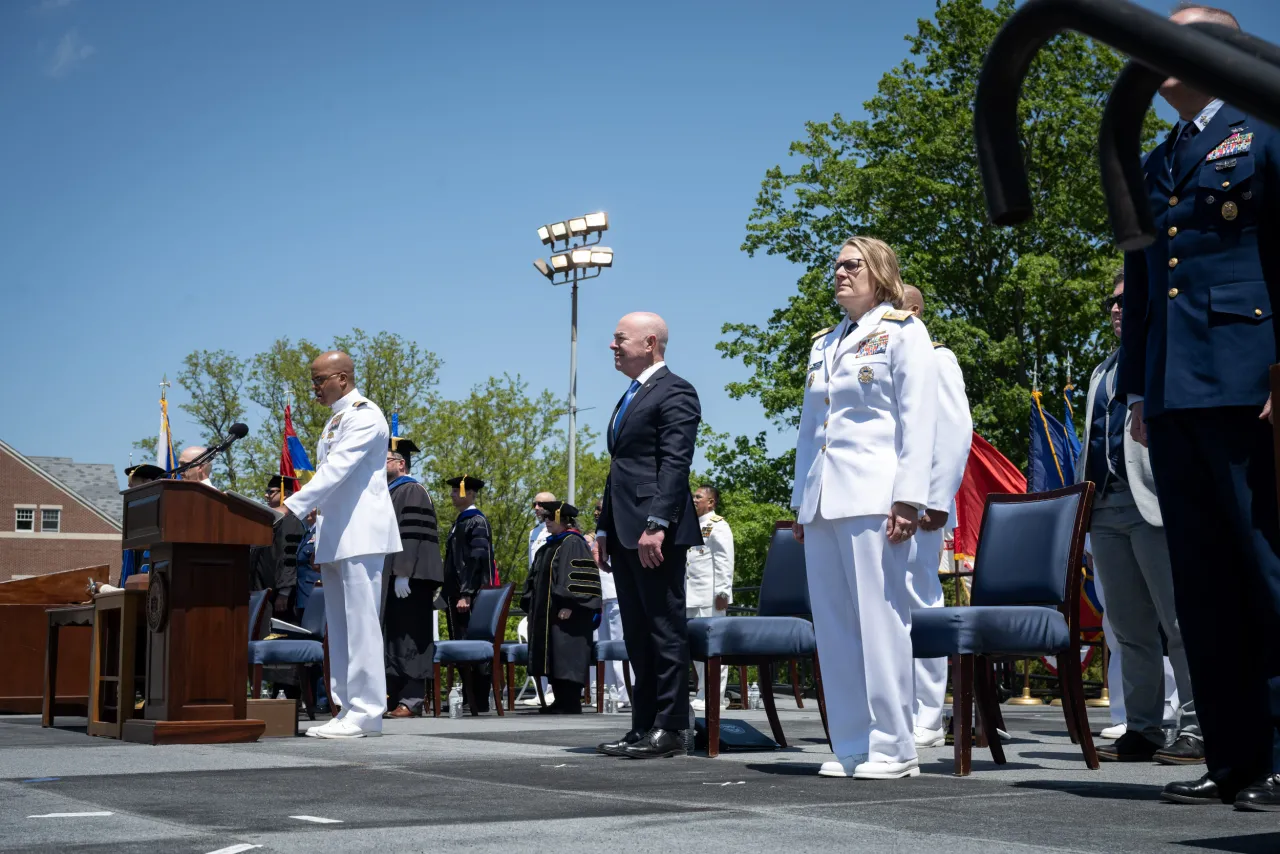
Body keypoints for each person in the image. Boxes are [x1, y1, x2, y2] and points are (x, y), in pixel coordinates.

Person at [1119, 3, 1280, 809]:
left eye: (1173, 40)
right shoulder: (1157, 159)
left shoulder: (1268, 126)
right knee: (1205, 588)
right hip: (1177, 396)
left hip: (1254, 389)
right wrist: (1139, 390)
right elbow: (1146, 283)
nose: (1153, 56)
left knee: (1268, 572)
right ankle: (1234, 757)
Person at [791, 236, 937, 780]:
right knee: (834, 627)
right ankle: (852, 742)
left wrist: (909, 498)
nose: (840, 274)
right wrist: (802, 504)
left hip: (876, 495)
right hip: (824, 499)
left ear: (878, 272)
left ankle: (894, 748)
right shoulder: (825, 342)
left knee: (881, 623)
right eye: (836, 266)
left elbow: (919, 419)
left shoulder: (903, 331)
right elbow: (811, 429)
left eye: (851, 265)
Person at [1083, 272, 1202, 765]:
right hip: (1105, 508)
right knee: (1129, 628)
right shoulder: (1101, 370)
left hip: (1153, 503)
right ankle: (1145, 727)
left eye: (1125, 302)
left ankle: (1199, 726)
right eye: (1111, 303)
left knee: (1180, 623)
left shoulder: (1165, 357)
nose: (1116, 310)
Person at [593, 311, 702, 760]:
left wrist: (657, 524)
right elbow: (620, 467)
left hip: (654, 532)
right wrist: (602, 528)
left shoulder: (675, 391)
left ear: (650, 343)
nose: (613, 346)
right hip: (623, 531)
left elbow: (675, 465)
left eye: (620, 339)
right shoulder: (630, 395)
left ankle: (672, 726)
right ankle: (643, 725)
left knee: (663, 627)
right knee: (637, 632)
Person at [283, 350, 402, 739]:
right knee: (340, 624)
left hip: (362, 532)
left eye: (320, 380)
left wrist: (293, 505)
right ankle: (347, 707)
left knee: (362, 624)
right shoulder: (338, 418)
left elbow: (337, 469)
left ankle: (368, 711)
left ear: (343, 379)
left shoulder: (366, 414)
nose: (314, 388)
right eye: (313, 381)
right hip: (337, 532)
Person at [900, 284, 972, 750]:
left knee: (918, 600)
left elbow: (955, 428)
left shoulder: (935, 356)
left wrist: (937, 498)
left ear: (913, 310)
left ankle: (927, 712)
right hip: (879, 503)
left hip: (920, 507)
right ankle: (893, 709)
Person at [382, 437, 445, 719]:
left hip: (411, 579)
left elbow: (413, 534)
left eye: (384, 459)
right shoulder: (390, 492)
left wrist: (403, 573)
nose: (379, 465)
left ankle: (412, 699)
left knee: (410, 638)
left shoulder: (412, 490)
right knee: (394, 638)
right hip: (395, 576)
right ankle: (395, 696)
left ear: (400, 463)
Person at [522, 501, 602, 714]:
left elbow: (579, 579)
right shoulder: (551, 544)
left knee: (565, 654)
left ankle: (570, 701)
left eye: (550, 518)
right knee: (552, 655)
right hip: (548, 614)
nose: (546, 521)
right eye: (544, 518)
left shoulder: (573, 542)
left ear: (563, 520)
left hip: (569, 615)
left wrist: (570, 604)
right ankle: (559, 700)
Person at [443, 474, 496, 713]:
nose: (453, 494)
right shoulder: (461, 521)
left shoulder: (477, 521)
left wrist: (466, 593)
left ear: (471, 494)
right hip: (458, 595)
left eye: (457, 491)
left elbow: (476, 562)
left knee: (473, 648)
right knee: (461, 645)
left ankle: (479, 700)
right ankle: (468, 698)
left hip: (471, 597)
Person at [686, 484, 733, 713]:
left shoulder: (718, 525)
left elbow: (724, 560)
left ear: (711, 502)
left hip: (710, 596)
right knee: (696, 649)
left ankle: (714, 695)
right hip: (691, 595)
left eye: (698, 496)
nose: (694, 499)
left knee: (713, 649)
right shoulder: (692, 525)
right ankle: (703, 692)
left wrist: (723, 592)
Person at [589, 500, 630, 709]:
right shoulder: (597, 535)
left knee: (620, 646)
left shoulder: (621, 531)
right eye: (596, 510)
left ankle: (625, 692)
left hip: (616, 595)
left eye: (601, 510)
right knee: (604, 648)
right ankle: (610, 691)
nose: (597, 513)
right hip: (601, 597)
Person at [251, 475, 306, 616]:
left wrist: (284, 592)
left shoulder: (291, 521)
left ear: (286, 494)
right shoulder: (268, 520)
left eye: (271, 491)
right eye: (266, 491)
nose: (266, 495)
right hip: (263, 590)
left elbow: (289, 557)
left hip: (279, 595)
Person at [119, 464, 164, 586]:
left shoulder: (160, 517)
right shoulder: (134, 520)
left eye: (133, 485)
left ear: (148, 483)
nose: (129, 489)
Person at [529, 492, 556, 566]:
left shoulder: (557, 530)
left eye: (540, 504)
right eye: (535, 504)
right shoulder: (533, 532)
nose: (536, 508)